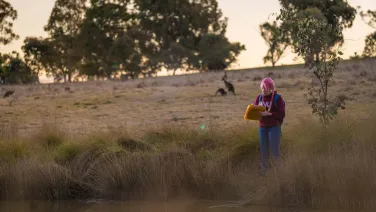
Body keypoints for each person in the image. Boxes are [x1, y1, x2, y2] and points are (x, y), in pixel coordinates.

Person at [252, 77, 285, 174]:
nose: (264, 90)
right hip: (262, 127)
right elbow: (254, 113)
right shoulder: (259, 98)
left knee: (275, 151)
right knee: (264, 151)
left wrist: (270, 114)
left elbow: (281, 114)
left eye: (266, 88)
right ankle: (264, 172)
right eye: (262, 88)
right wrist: (254, 109)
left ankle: (278, 172)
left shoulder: (277, 98)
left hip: (274, 127)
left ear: (272, 88)